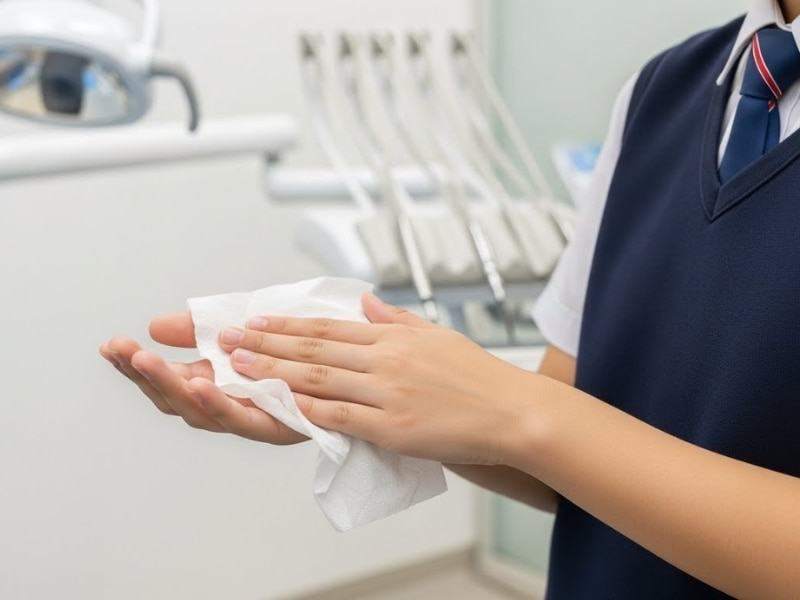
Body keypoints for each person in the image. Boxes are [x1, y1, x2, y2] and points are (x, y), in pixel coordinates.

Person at [101, 1, 800, 597]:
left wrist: (522, 410)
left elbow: (546, 422)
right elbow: (563, 464)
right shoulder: (659, 93)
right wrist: (354, 388)